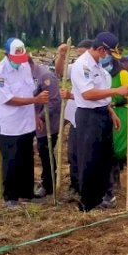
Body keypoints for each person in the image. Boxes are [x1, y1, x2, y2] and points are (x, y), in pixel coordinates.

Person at [70, 32, 128, 211]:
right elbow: (88, 94)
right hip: (88, 117)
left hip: (102, 114)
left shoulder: (99, 68)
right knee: (89, 159)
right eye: (108, 53)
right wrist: (117, 91)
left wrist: (111, 112)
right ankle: (87, 201)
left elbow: (101, 96)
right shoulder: (82, 66)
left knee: (104, 158)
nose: (108, 57)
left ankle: (103, 196)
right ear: (101, 49)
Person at [0, 38, 48, 207]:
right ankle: (11, 197)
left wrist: (35, 115)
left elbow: (28, 90)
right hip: (9, 125)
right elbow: (7, 99)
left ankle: (26, 193)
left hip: (26, 122)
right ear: (7, 55)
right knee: (11, 161)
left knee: (26, 159)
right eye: (16, 59)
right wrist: (35, 99)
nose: (19, 62)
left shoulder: (24, 66)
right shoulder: (0, 71)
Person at [56, 40, 91, 200]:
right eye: (77, 53)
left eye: (82, 53)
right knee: (73, 154)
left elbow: (90, 94)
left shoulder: (95, 70)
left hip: (90, 119)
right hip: (76, 119)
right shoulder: (76, 67)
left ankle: (88, 186)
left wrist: (70, 95)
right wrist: (62, 55)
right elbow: (60, 71)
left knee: (88, 154)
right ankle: (75, 185)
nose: (80, 56)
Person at [103, 48, 128, 206]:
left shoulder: (122, 74)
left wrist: (114, 103)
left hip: (122, 112)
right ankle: (113, 180)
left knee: (119, 148)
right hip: (106, 113)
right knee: (108, 148)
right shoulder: (102, 75)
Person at [31, 56, 61, 197]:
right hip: (29, 119)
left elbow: (54, 101)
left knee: (45, 151)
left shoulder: (45, 76)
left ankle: (48, 184)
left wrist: (41, 116)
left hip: (47, 121)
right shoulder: (22, 75)